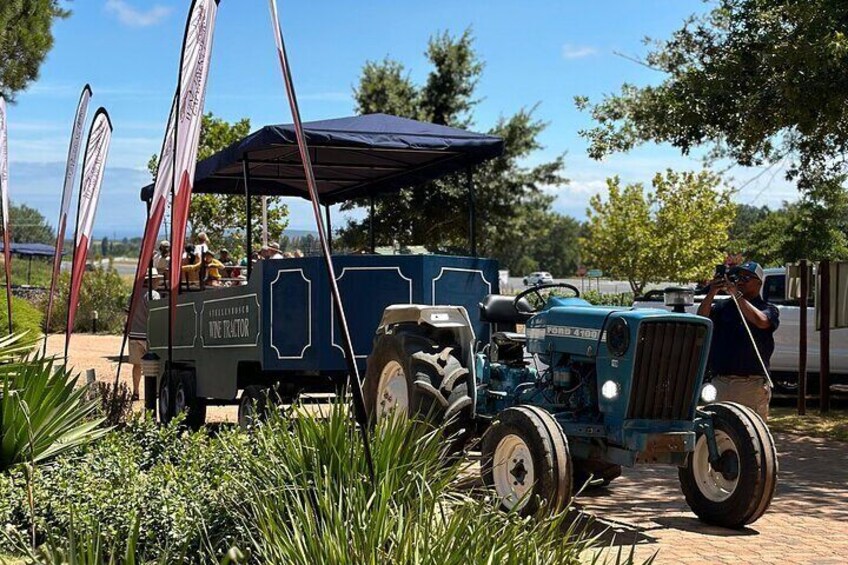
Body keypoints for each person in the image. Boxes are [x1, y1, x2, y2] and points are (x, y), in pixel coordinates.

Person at [697, 261, 780, 420]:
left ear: (758, 283)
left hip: (750, 384)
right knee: (719, 431)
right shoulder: (723, 307)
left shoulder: (767, 308)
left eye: (746, 278)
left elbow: (761, 321)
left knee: (750, 435)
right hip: (720, 381)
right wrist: (712, 292)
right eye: (738, 277)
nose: (740, 281)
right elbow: (702, 319)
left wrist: (737, 295)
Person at [127, 278, 160, 401]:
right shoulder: (154, 295)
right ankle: (153, 391)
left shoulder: (133, 296)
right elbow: (156, 313)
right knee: (152, 365)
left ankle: (136, 392)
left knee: (137, 365)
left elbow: (128, 314)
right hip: (149, 335)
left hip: (134, 334)